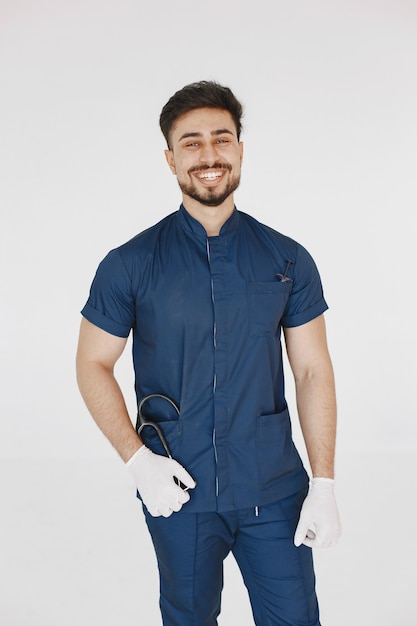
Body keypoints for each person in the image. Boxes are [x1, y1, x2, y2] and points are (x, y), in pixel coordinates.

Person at [76, 80, 341, 626]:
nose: (209, 154)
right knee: (188, 617)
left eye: (222, 139)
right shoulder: (130, 263)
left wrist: (324, 482)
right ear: (170, 158)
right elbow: (92, 363)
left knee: (295, 618)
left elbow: (312, 369)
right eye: (191, 142)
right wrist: (137, 461)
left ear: (240, 150)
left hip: (274, 489)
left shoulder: (287, 259)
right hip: (177, 486)